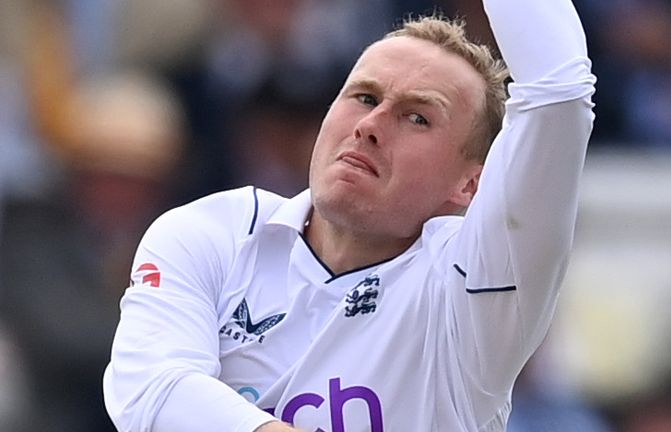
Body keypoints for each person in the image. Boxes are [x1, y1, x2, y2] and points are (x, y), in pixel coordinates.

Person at [103, 0, 596, 431]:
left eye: (417, 117)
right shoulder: (213, 232)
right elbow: (150, 389)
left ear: (472, 184)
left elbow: (562, 92)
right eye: (364, 97)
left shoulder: (473, 287)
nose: (370, 126)